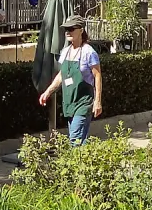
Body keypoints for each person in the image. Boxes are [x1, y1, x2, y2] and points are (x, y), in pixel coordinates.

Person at [37, 16, 103, 146]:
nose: (68, 32)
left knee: (75, 139)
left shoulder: (89, 52)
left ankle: (76, 164)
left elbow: (98, 76)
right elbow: (62, 75)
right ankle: (85, 163)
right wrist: (47, 92)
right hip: (69, 104)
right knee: (79, 140)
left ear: (81, 30)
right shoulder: (65, 51)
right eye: (67, 29)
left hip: (83, 103)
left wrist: (98, 101)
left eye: (71, 29)